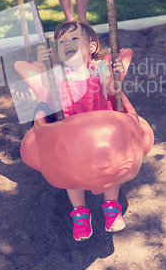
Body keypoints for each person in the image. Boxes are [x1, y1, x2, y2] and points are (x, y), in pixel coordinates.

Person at [37, 20, 126, 241]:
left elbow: (110, 89)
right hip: (71, 137)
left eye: (74, 38)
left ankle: (111, 205)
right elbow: (45, 92)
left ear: (92, 47)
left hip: (101, 133)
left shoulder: (99, 68)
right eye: (62, 41)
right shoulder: (58, 73)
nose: (68, 43)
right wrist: (43, 67)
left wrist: (116, 75)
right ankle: (80, 212)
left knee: (112, 166)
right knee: (70, 173)